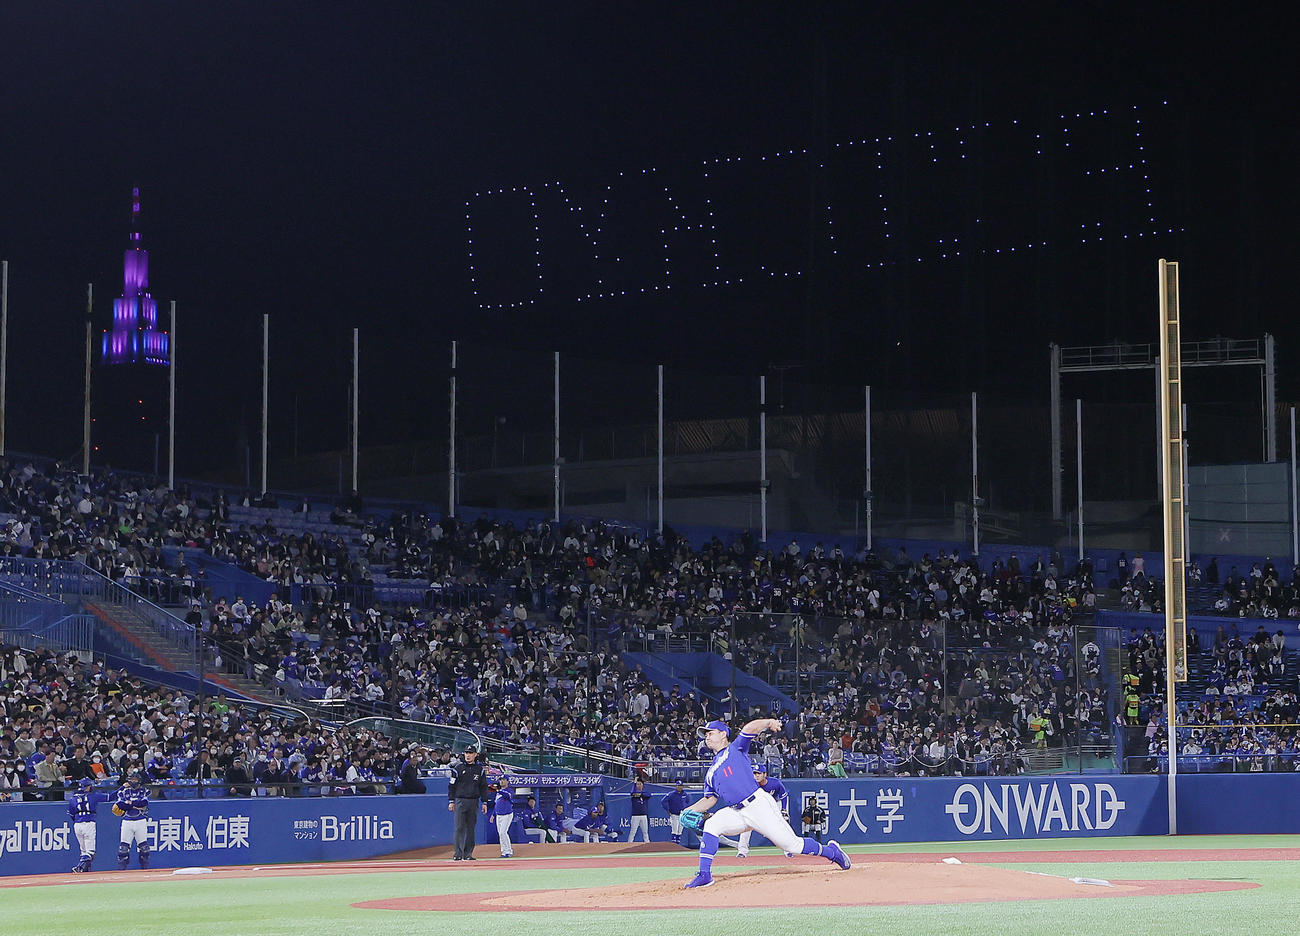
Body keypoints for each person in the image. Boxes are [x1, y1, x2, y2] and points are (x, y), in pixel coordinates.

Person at [681, 718, 850, 889]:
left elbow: (749, 728)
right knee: (711, 825)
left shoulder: (734, 750)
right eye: (705, 735)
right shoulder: (711, 772)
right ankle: (704, 875)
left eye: (710, 733)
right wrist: (688, 810)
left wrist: (768, 722)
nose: (707, 737)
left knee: (792, 845)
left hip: (757, 805)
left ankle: (832, 852)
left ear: (723, 734)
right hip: (736, 812)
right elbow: (710, 799)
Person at [734, 764, 788, 858]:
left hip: (774, 804)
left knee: (782, 826)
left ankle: (788, 850)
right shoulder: (750, 785)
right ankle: (742, 851)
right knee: (746, 827)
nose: (756, 776)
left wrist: (784, 810)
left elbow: (784, 796)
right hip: (756, 806)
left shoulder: (775, 783)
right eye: (754, 773)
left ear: (764, 774)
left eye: (759, 773)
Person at [447, 746, 488, 860]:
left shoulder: (479, 769)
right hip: (460, 800)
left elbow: (483, 787)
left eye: (471, 753)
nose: (468, 755)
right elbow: (452, 786)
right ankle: (458, 854)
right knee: (459, 827)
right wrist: (451, 801)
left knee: (471, 828)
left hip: (474, 801)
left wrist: (484, 802)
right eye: (466, 753)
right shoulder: (458, 768)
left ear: (475, 754)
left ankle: (468, 853)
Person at [67, 778, 110, 872]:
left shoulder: (73, 798)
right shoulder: (93, 796)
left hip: (77, 824)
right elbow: (109, 797)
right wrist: (122, 788)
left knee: (83, 851)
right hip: (88, 822)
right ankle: (79, 867)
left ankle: (85, 871)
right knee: (90, 852)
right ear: (88, 786)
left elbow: (71, 814)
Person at [114, 771, 151, 869]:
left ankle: (145, 870)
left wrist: (130, 804)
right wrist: (134, 805)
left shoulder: (144, 791)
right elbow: (121, 805)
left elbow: (143, 803)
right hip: (127, 821)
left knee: (144, 849)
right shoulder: (123, 792)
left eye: (135, 780)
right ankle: (122, 871)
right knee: (123, 849)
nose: (133, 781)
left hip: (140, 821)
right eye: (131, 779)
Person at [659, 780, 689, 846]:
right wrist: (668, 810)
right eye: (678, 786)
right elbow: (663, 801)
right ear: (676, 786)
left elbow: (687, 802)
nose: (680, 787)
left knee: (680, 830)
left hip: (682, 815)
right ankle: (674, 845)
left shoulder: (685, 794)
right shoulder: (672, 794)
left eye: (681, 786)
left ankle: (678, 845)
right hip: (674, 814)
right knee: (674, 829)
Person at [492, 782, 515, 858]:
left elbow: (507, 796)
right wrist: (493, 814)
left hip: (507, 814)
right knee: (500, 834)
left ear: (507, 781)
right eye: (501, 780)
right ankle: (504, 851)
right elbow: (496, 804)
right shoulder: (499, 792)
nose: (502, 781)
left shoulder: (509, 790)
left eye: (503, 780)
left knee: (503, 832)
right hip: (499, 814)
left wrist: (498, 790)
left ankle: (508, 851)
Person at [627, 778, 651, 843]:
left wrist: (640, 794)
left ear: (643, 785)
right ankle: (629, 844)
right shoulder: (634, 793)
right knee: (633, 832)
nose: (639, 785)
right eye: (637, 784)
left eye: (640, 784)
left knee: (645, 832)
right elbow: (632, 793)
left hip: (644, 815)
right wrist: (634, 784)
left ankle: (647, 844)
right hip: (635, 815)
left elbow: (649, 795)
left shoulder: (645, 793)